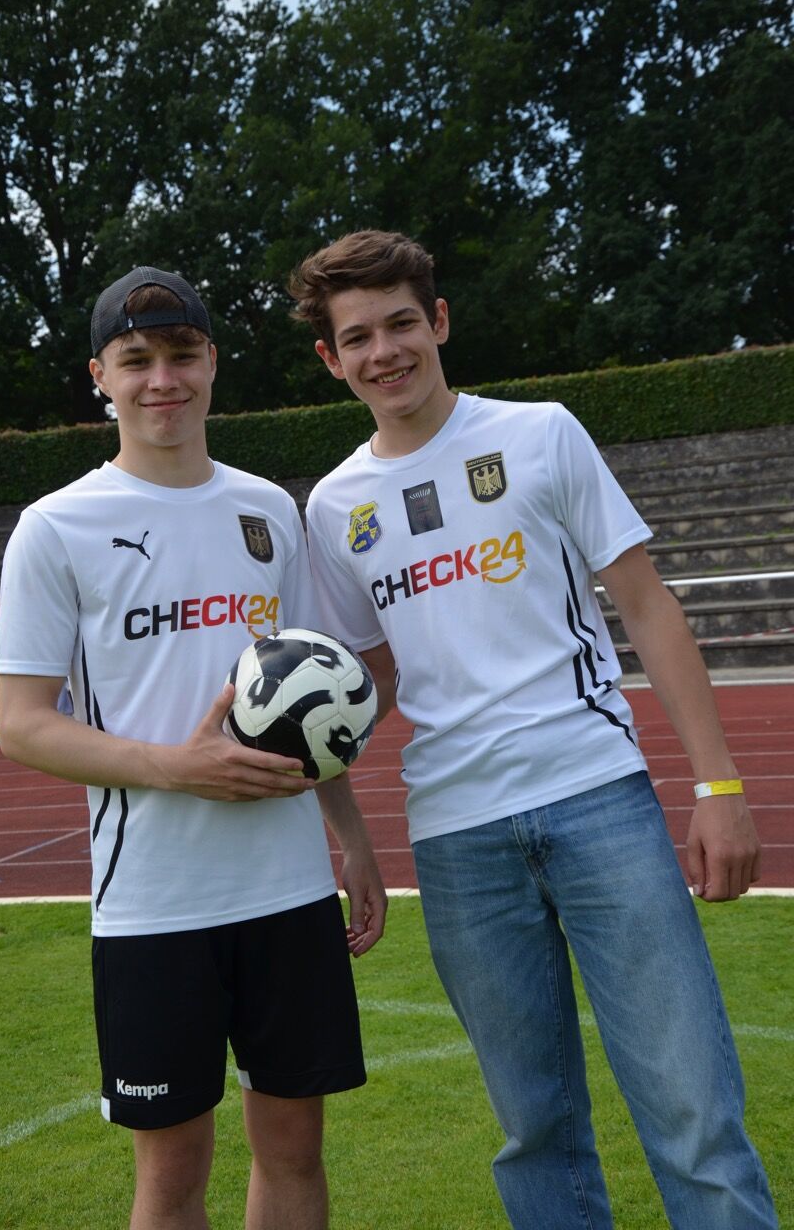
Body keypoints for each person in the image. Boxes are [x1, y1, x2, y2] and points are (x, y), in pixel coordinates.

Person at [289, 229, 778, 1230]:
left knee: (693, 1111)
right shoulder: (334, 506)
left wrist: (718, 785)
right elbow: (350, 688)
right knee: (533, 1130)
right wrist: (349, 835)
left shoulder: (540, 434)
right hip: (456, 837)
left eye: (399, 323)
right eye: (358, 337)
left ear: (437, 321)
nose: (384, 351)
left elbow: (645, 605)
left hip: (595, 795)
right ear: (330, 359)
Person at [0, 266, 386, 1230]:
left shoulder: (268, 510)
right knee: (172, 1176)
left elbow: (309, 696)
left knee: (294, 1151)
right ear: (101, 376)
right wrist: (177, 767)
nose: (161, 380)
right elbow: (22, 724)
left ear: (212, 360)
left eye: (180, 355)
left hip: (288, 890)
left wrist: (353, 839)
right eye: (136, 361)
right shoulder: (56, 527)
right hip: (153, 901)